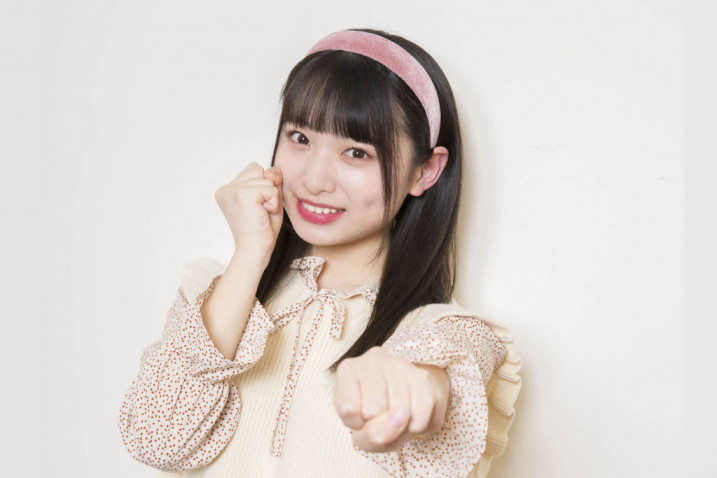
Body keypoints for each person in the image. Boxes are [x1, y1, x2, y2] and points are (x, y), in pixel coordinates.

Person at [117, 28, 522, 478]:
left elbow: (438, 376)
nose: (313, 180)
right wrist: (250, 254)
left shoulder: (447, 334)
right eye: (300, 138)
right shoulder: (219, 297)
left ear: (425, 171)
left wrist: (414, 390)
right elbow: (156, 441)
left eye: (357, 153)